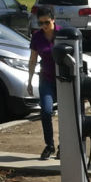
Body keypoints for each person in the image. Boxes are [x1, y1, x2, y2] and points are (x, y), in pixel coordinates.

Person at [26, 8, 58, 161]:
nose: (44, 26)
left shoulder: (62, 34)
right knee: (45, 111)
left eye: (47, 22)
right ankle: (49, 145)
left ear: (53, 20)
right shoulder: (37, 37)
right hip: (46, 79)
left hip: (63, 80)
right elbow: (32, 59)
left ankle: (64, 145)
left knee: (66, 114)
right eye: (41, 23)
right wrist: (30, 80)